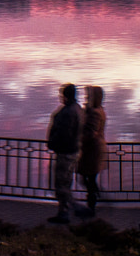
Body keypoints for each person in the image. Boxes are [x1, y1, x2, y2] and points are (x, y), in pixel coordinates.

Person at [44, 83, 83, 224]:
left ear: (66, 96)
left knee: (61, 184)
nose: (60, 97)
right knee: (66, 183)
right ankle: (65, 212)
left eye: (62, 95)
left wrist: (53, 143)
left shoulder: (68, 112)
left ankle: (73, 209)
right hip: (73, 151)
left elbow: (64, 133)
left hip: (65, 152)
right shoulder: (77, 109)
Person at [76, 85, 108, 218]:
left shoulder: (94, 112)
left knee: (88, 179)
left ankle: (91, 208)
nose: (86, 98)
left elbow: (91, 133)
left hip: (92, 151)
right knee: (88, 179)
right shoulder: (96, 110)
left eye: (88, 96)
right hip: (92, 150)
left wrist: (77, 139)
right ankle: (95, 199)